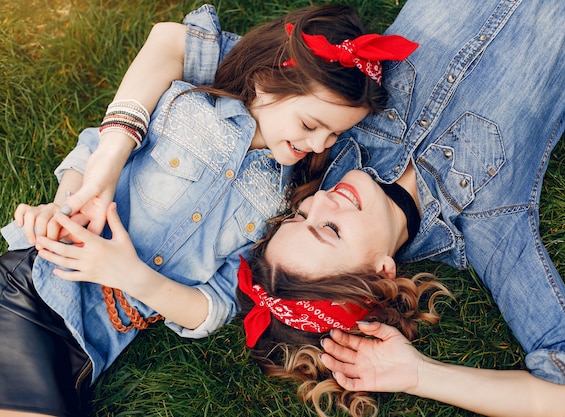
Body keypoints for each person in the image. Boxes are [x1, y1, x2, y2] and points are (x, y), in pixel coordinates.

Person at [0, 4, 419, 416]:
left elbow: (214, 306)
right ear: (266, 83)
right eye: (311, 125)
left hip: (85, 354)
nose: (318, 145)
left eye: (335, 135)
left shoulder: (281, 204)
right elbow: (93, 148)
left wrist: (133, 277)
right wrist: (63, 204)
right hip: (34, 289)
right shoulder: (189, 107)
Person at [235, 0, 565, 415]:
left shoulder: (327, 132)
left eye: (300, 214)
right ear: (380, 271)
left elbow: (191, 53)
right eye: (329, 229)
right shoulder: (489, 228)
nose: (320, 200)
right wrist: (420, 373)